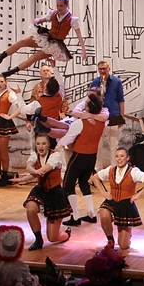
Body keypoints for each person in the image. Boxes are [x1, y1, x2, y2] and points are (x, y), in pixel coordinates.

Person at [0, 0, 87, 77]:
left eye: (61, 6)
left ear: (67, 5)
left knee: (34, 57)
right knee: (22, 42)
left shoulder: (72, 19)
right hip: (46, 37)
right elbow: (44, 19)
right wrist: (38, 20)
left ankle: (10, 72)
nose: (59, 8)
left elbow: (79, 35)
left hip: (55, 45)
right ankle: (0, 58)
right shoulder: (53, 13)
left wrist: (83, 50)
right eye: (57, 5)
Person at [56, 93, 107, 226]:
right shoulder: (102, 122)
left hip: (79, 155)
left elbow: (68, 139)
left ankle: (75, 216)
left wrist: (58, 140)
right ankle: (91, 214)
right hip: (92, 156)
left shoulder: (80, 122)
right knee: (84, 183)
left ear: (88, 108)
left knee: (68, 184)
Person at [91, 147, 144, 250]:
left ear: (127, 158)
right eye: (117, 156)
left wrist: (138, 195)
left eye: (122, 156)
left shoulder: (133, 171)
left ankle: (127, 235)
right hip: (112, 202)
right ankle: (110, 240)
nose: (119, 159)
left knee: (123, 245)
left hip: (125, 206)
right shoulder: (110, 170)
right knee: (104, 214)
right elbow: (95, 178)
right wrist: (103, 192)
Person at [17, 134, 72, 251]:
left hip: (55, 194)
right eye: (38, 144)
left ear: (48, 145)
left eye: (43, 143)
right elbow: (29, 167)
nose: (40, 146)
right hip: (40, 191)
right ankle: (38, 239)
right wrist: (22, 179)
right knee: (30, 208)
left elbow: (43, 170)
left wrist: (31, 173)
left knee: (52, 237)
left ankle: (66, 234)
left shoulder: (55, 156)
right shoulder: (34, 155)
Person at [89, 60, 125, 168]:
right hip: (99, 116)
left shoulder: (117, 81)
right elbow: (91, 100)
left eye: (104, 68)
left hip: (113, 116)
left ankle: (115, 169)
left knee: (114, 145)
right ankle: (98, 169)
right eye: (100, 69)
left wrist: (121, 117)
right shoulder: (95, 82)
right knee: (98, 145)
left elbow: (121, 100)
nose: (102, 71)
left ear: (109, 69)